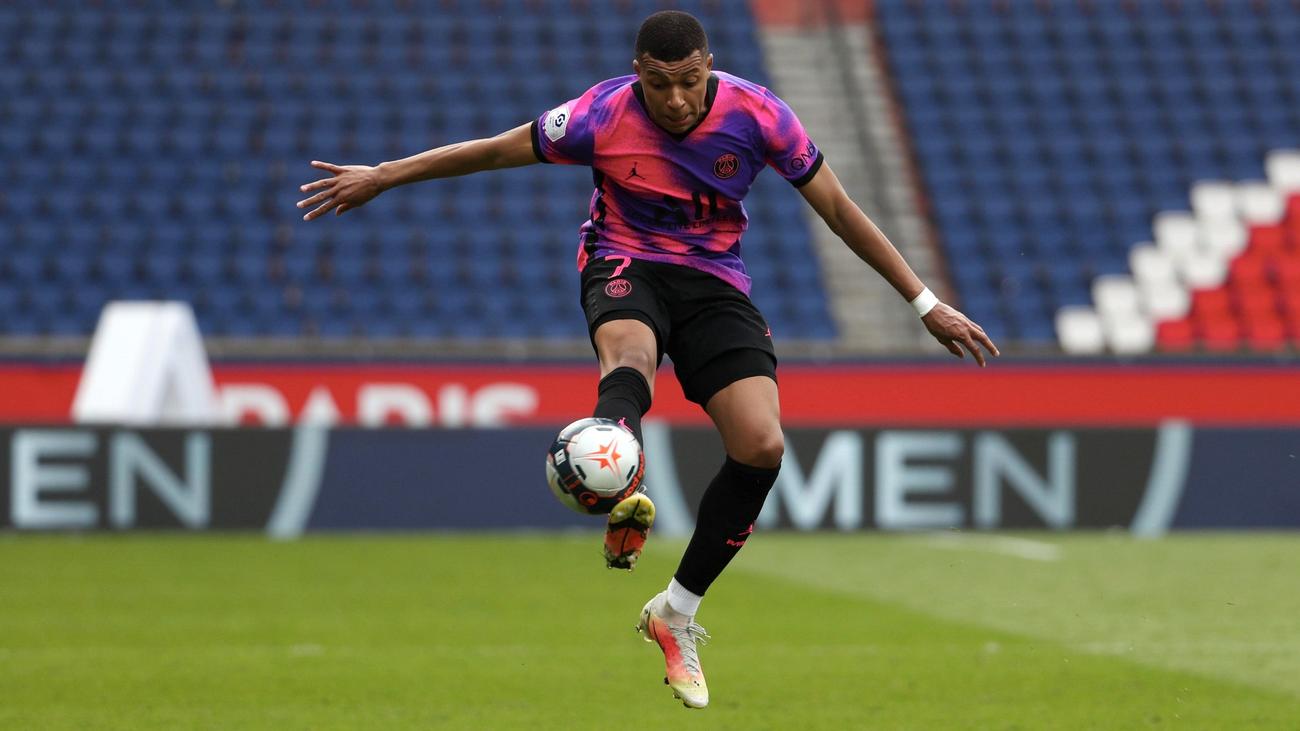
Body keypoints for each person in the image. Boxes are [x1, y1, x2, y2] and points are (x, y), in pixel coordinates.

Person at [297, 10, 998, 710]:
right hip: (623, 260)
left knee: (762, 443)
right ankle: (614, 456)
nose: (675, 99)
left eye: (689, 82)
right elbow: (493, 150)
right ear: (640, 74)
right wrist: (384, 175)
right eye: (660, 84)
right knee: (631, 355)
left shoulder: (758, 115)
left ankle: (674, 611)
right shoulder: (599, 115)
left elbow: (840, 208)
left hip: (715, 281)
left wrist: (924, 302)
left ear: (708, 67)